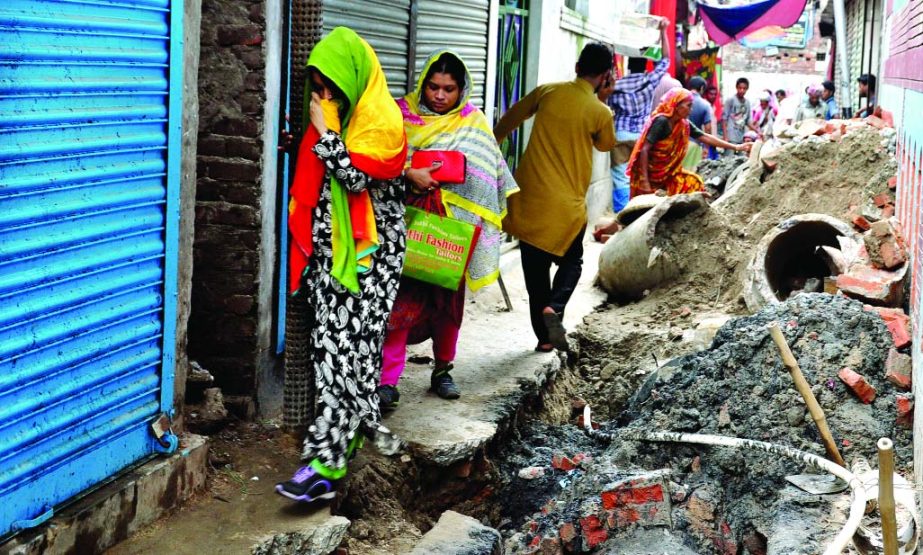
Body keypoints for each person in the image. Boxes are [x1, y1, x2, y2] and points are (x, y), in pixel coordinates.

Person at [276, 27, 408, 503]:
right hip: (332, 263)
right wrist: (313, 137)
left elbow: (354, 180)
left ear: (356, 79)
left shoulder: (383, 122)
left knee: (341, 359)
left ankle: (322, 465)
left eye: (333, 87)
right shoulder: (337, 121)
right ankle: (350, 438)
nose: (325, 97)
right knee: (342, 357)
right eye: (319, 88)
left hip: (369, 264)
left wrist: (328, 135)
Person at [378, 51, 518, 409]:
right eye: (433, 87)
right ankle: (387, 382)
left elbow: (489, 176)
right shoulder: (398, 115)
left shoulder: (473, 122)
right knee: (399, 304)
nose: (440, 96)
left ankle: (442, 371)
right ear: (423, 84)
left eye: (449, 89)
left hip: (452, 230)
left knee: (447, 307)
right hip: (405, 225)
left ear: (461, 90)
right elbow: (378, 159)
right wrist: (410, 172)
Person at [494, 42, 617, 353]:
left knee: (535, 276)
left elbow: (508, 120)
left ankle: (544, 338)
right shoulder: (600, 111)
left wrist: (491, 150)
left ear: (577, 67)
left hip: (528, 199)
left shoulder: (548, 91)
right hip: (566, 206)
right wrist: (602, 99)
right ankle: (555, 307)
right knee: (573, 261)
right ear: (605, 76)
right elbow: (606, 146)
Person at [628, 87, 751, 198]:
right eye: (688, 106)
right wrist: (644, 181)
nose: (690, 110)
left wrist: (737, 147)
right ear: (676, 105)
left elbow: (704, 136)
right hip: (649, 174)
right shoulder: (661, 122)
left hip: (668, 174)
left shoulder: (683, 123)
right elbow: (644, 149)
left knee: (694, 184)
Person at [608, 17, 671, 212]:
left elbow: (606, 98)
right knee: (639, 176)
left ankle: (621, 214)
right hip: (642, 136)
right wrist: (663, 32)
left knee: (620, 178)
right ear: (645, 65)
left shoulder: (617, 85)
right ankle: (636, 213)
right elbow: (666, 60)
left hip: (620, 134)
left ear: (629, 65)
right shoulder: (650, 80)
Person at [684, 76, 714, 169]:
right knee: (691, 173)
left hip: (678, 142)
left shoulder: (681, 100)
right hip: (695, 144)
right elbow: (708, 129)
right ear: (701, 88)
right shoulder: (705, 104)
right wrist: (706, 147)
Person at [722, 77, 758, 145]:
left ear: (747, 89)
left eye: (744, 88)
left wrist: (757, 131)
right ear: (736, 87)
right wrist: (725, 136)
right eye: (740, 88)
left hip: (741, 138)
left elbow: (747, 121)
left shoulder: (747, 103)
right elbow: (724, 119)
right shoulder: (731, 100)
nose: (742, 90)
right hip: (730, 137)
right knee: (729, 155)